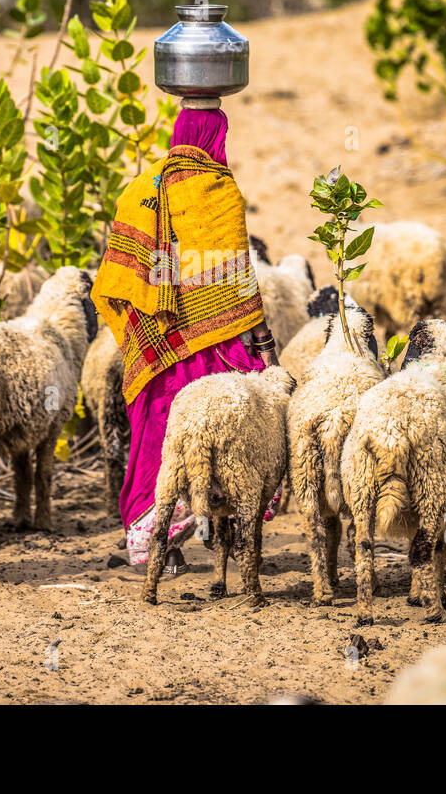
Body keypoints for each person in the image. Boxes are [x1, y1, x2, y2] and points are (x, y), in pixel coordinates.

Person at [91, 105, 277, 574]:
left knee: (158, 441)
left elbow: (119, 272)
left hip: (157, 344)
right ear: (217, 137)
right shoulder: (220, 189)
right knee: (235, 437)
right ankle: (232, 540)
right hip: (215, 345)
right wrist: (264, 344)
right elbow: (237, 277)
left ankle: (152, 544)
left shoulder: (141, 189)